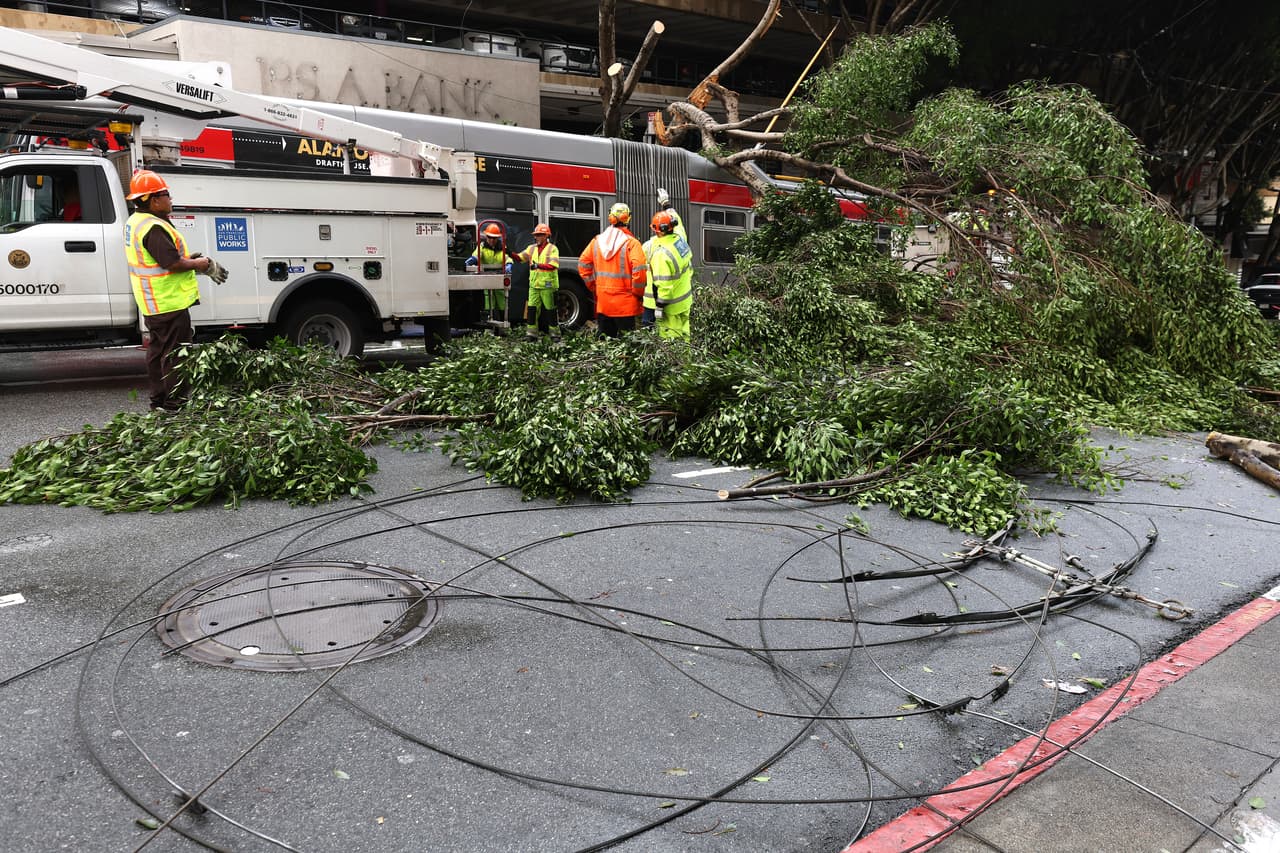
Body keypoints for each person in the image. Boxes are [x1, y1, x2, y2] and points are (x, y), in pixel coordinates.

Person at [124, 169, 225, 411]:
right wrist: (200, 264)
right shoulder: (153, 227)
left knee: (158, 353)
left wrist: (188, 259)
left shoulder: (137, 222)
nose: (170, 199)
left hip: (154, 303)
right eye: (166, 194)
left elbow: (159, 259)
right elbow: (171, 263)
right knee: (177, 355)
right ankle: (174, 404)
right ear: (152, 199)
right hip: (169, 303)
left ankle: (159, 402)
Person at [578, 202, 647, 337]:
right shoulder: (632, 243)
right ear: (628, 219)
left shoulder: (597, 241)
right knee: (626, 348)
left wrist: (594, 286)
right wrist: (638, 294)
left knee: (606, 346)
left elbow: (583, 264)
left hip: (604, 304)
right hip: (626, 306)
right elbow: (639, 272)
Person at [644, 210, 693, 340]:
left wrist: (659, 307)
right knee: (685, 335)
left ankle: (675, 361)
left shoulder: (661, 254)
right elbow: (680, 225)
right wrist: (667, 205)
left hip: (671, 307)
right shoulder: (680, 240)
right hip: (685, 301)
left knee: (671, 340)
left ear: (658, 231)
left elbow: (665, 287)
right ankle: (687, 359)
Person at [512, 223, 559, 336]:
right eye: (536, 235)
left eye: (540, 235)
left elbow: (553, 265)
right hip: (534, 286)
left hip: (548, 286)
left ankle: (555, 334)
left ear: (546, 236)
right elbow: (519, 258)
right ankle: (531, 334)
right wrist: (509, 252)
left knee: (551, 310)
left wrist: (538, 266)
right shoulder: (531, 249)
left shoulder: (552, 249)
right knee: (532, 310)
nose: (536, 237)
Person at [465, 222, 515, 322]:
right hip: (486, 278)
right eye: (490, 237)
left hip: (499, 278)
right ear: (486, 237)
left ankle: (503, 324)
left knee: (502, 301)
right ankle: (488, 326)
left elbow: (507, 258)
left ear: (498, 238)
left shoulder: (502, 248)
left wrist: (509, 264)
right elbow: (476, 255)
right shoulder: (482, 247)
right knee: (488, 300)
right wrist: (472, 259)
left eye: (494, 238)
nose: (492, 240)